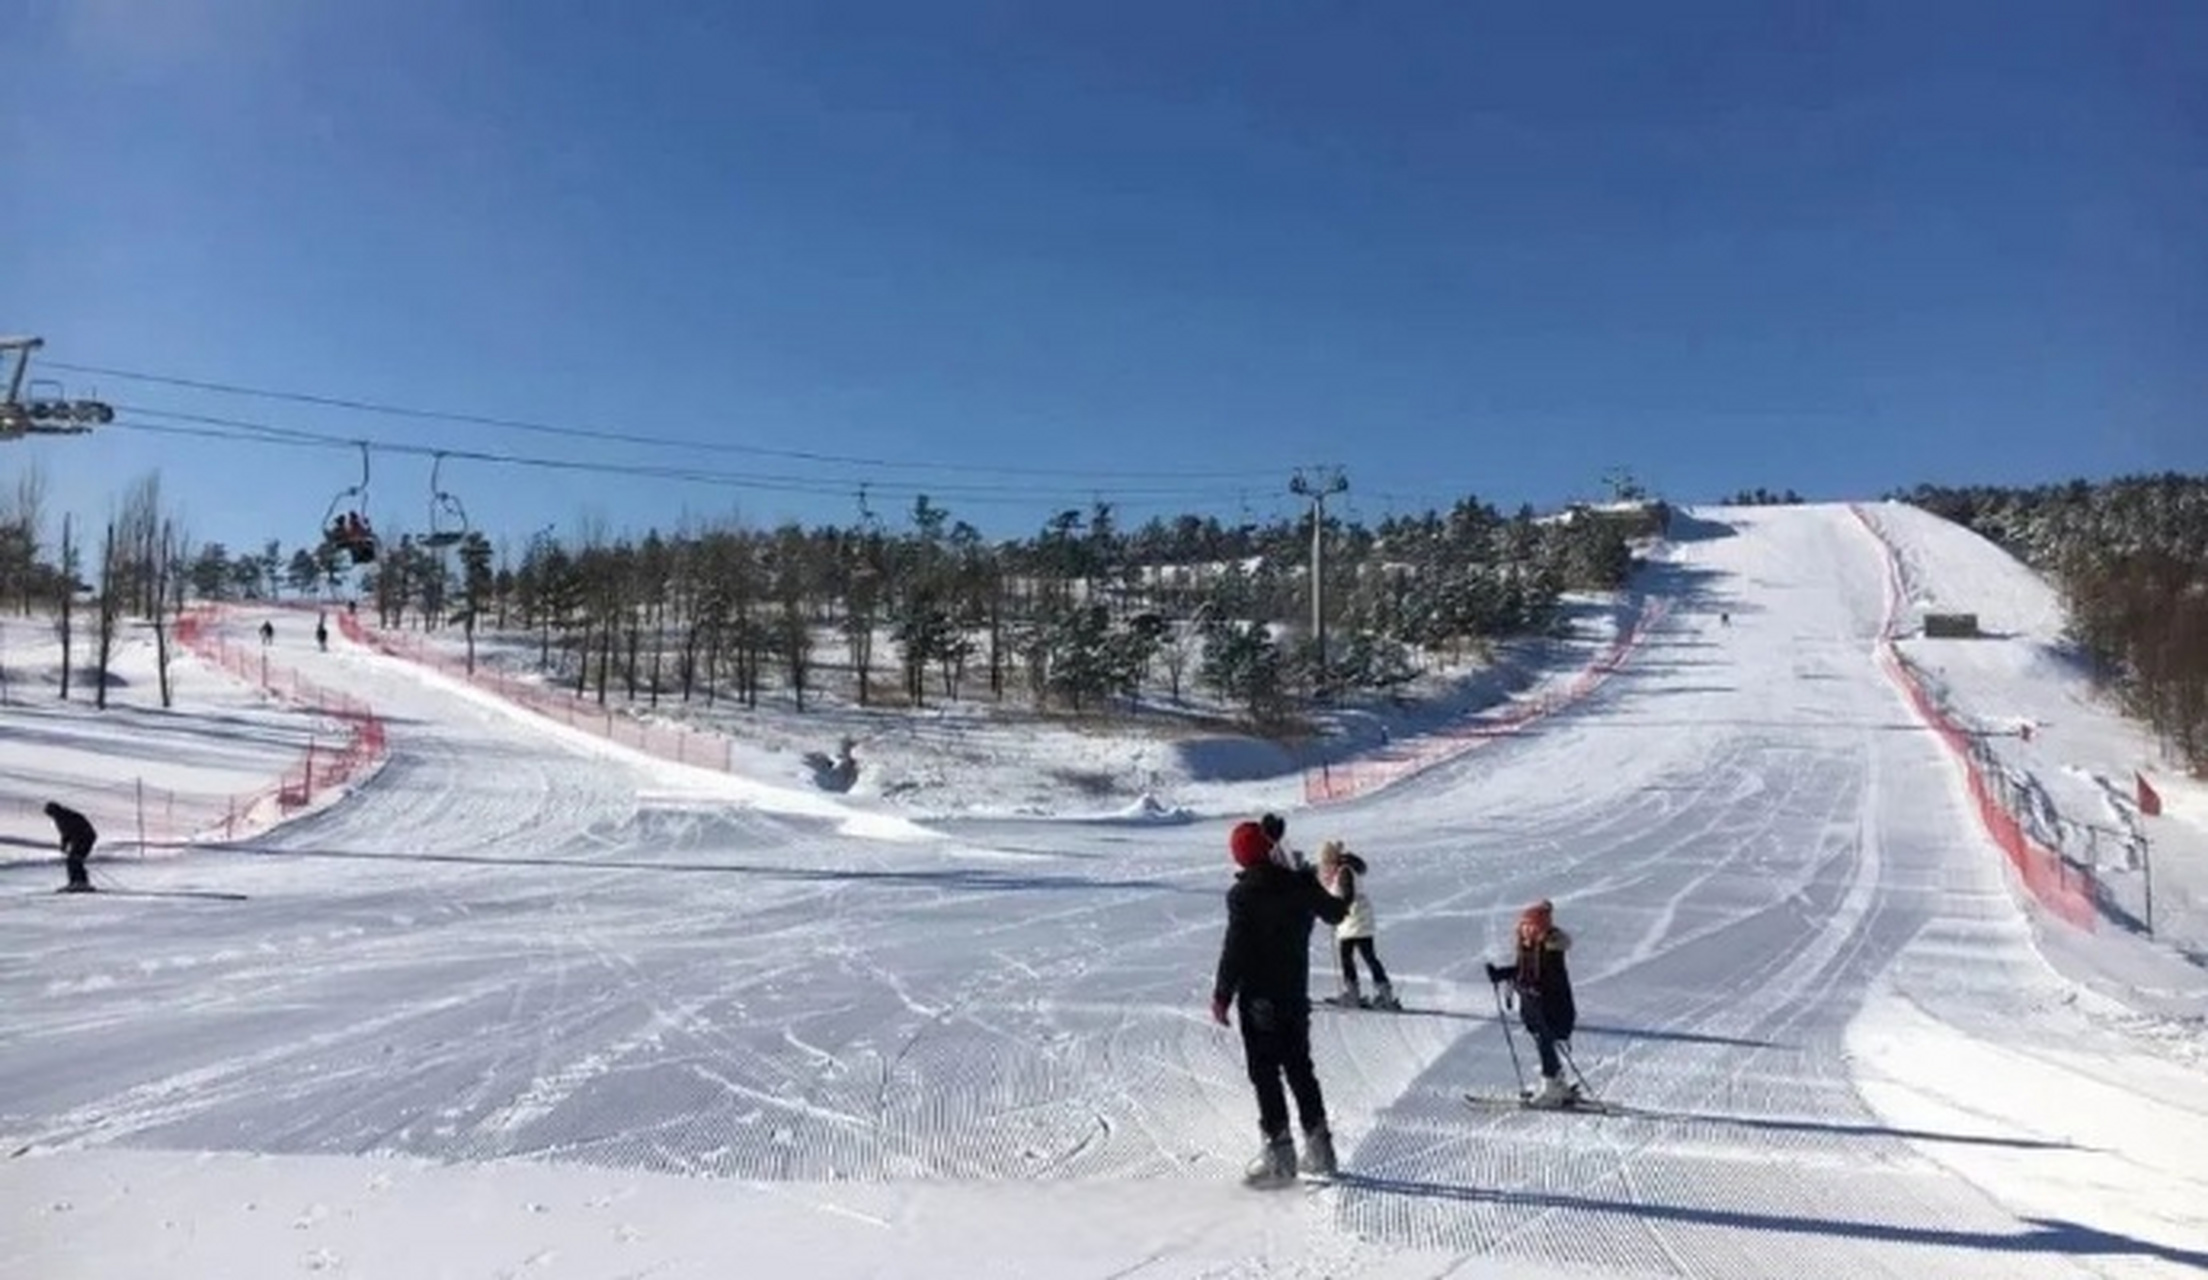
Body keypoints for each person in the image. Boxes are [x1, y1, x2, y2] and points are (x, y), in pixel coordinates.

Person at [1211, 814, 1350, 1186]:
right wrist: (1320, 880)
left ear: (1242, 857)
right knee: (1300, 1068)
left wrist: (1222, 994)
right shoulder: (1298, 884)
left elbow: (1235, 948)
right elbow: (1337, 913)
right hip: (1293, 995)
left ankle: (1279, 1155)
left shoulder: (1243, 895)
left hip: (1259, 999)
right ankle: (1320, 1149)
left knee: (1265, 1073)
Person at [1487, 899, 1579, 1107]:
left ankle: (1552, 1089)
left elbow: (1550, 979)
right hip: (1537, 1009)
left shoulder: (1550, 951)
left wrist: (1530, 988)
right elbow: (1522, 972)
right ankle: (1557, 1084)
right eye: (1523, 926)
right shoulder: (1530, 949)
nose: (1524, 931)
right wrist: (1501, 974)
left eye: (1529, 926)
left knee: (1546, 1043)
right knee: (1543, 1043)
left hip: (1553, 1009)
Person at [1317, 840, 1397, 1010]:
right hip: (1356, 919)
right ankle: (1383, 992)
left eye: (1325, 862)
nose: (1324, 866)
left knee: (1353, 956)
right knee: (1365, 955)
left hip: (1354, 919)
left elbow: (1348, 896)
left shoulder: (1344, 871)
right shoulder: (1342, 870)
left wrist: (1336, 913)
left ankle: (1357, 994)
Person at [44, 801, 97, 893]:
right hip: (82, 839)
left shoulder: (66, 817)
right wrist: (64, 845)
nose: (51, 817)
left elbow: (75, 831)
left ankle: (79, 882)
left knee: (74, 860)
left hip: (86, 838)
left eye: (50, 814)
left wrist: (75, 845)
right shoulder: (61, 817)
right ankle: (78, 882)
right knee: (74, 860)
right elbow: (66, 834)